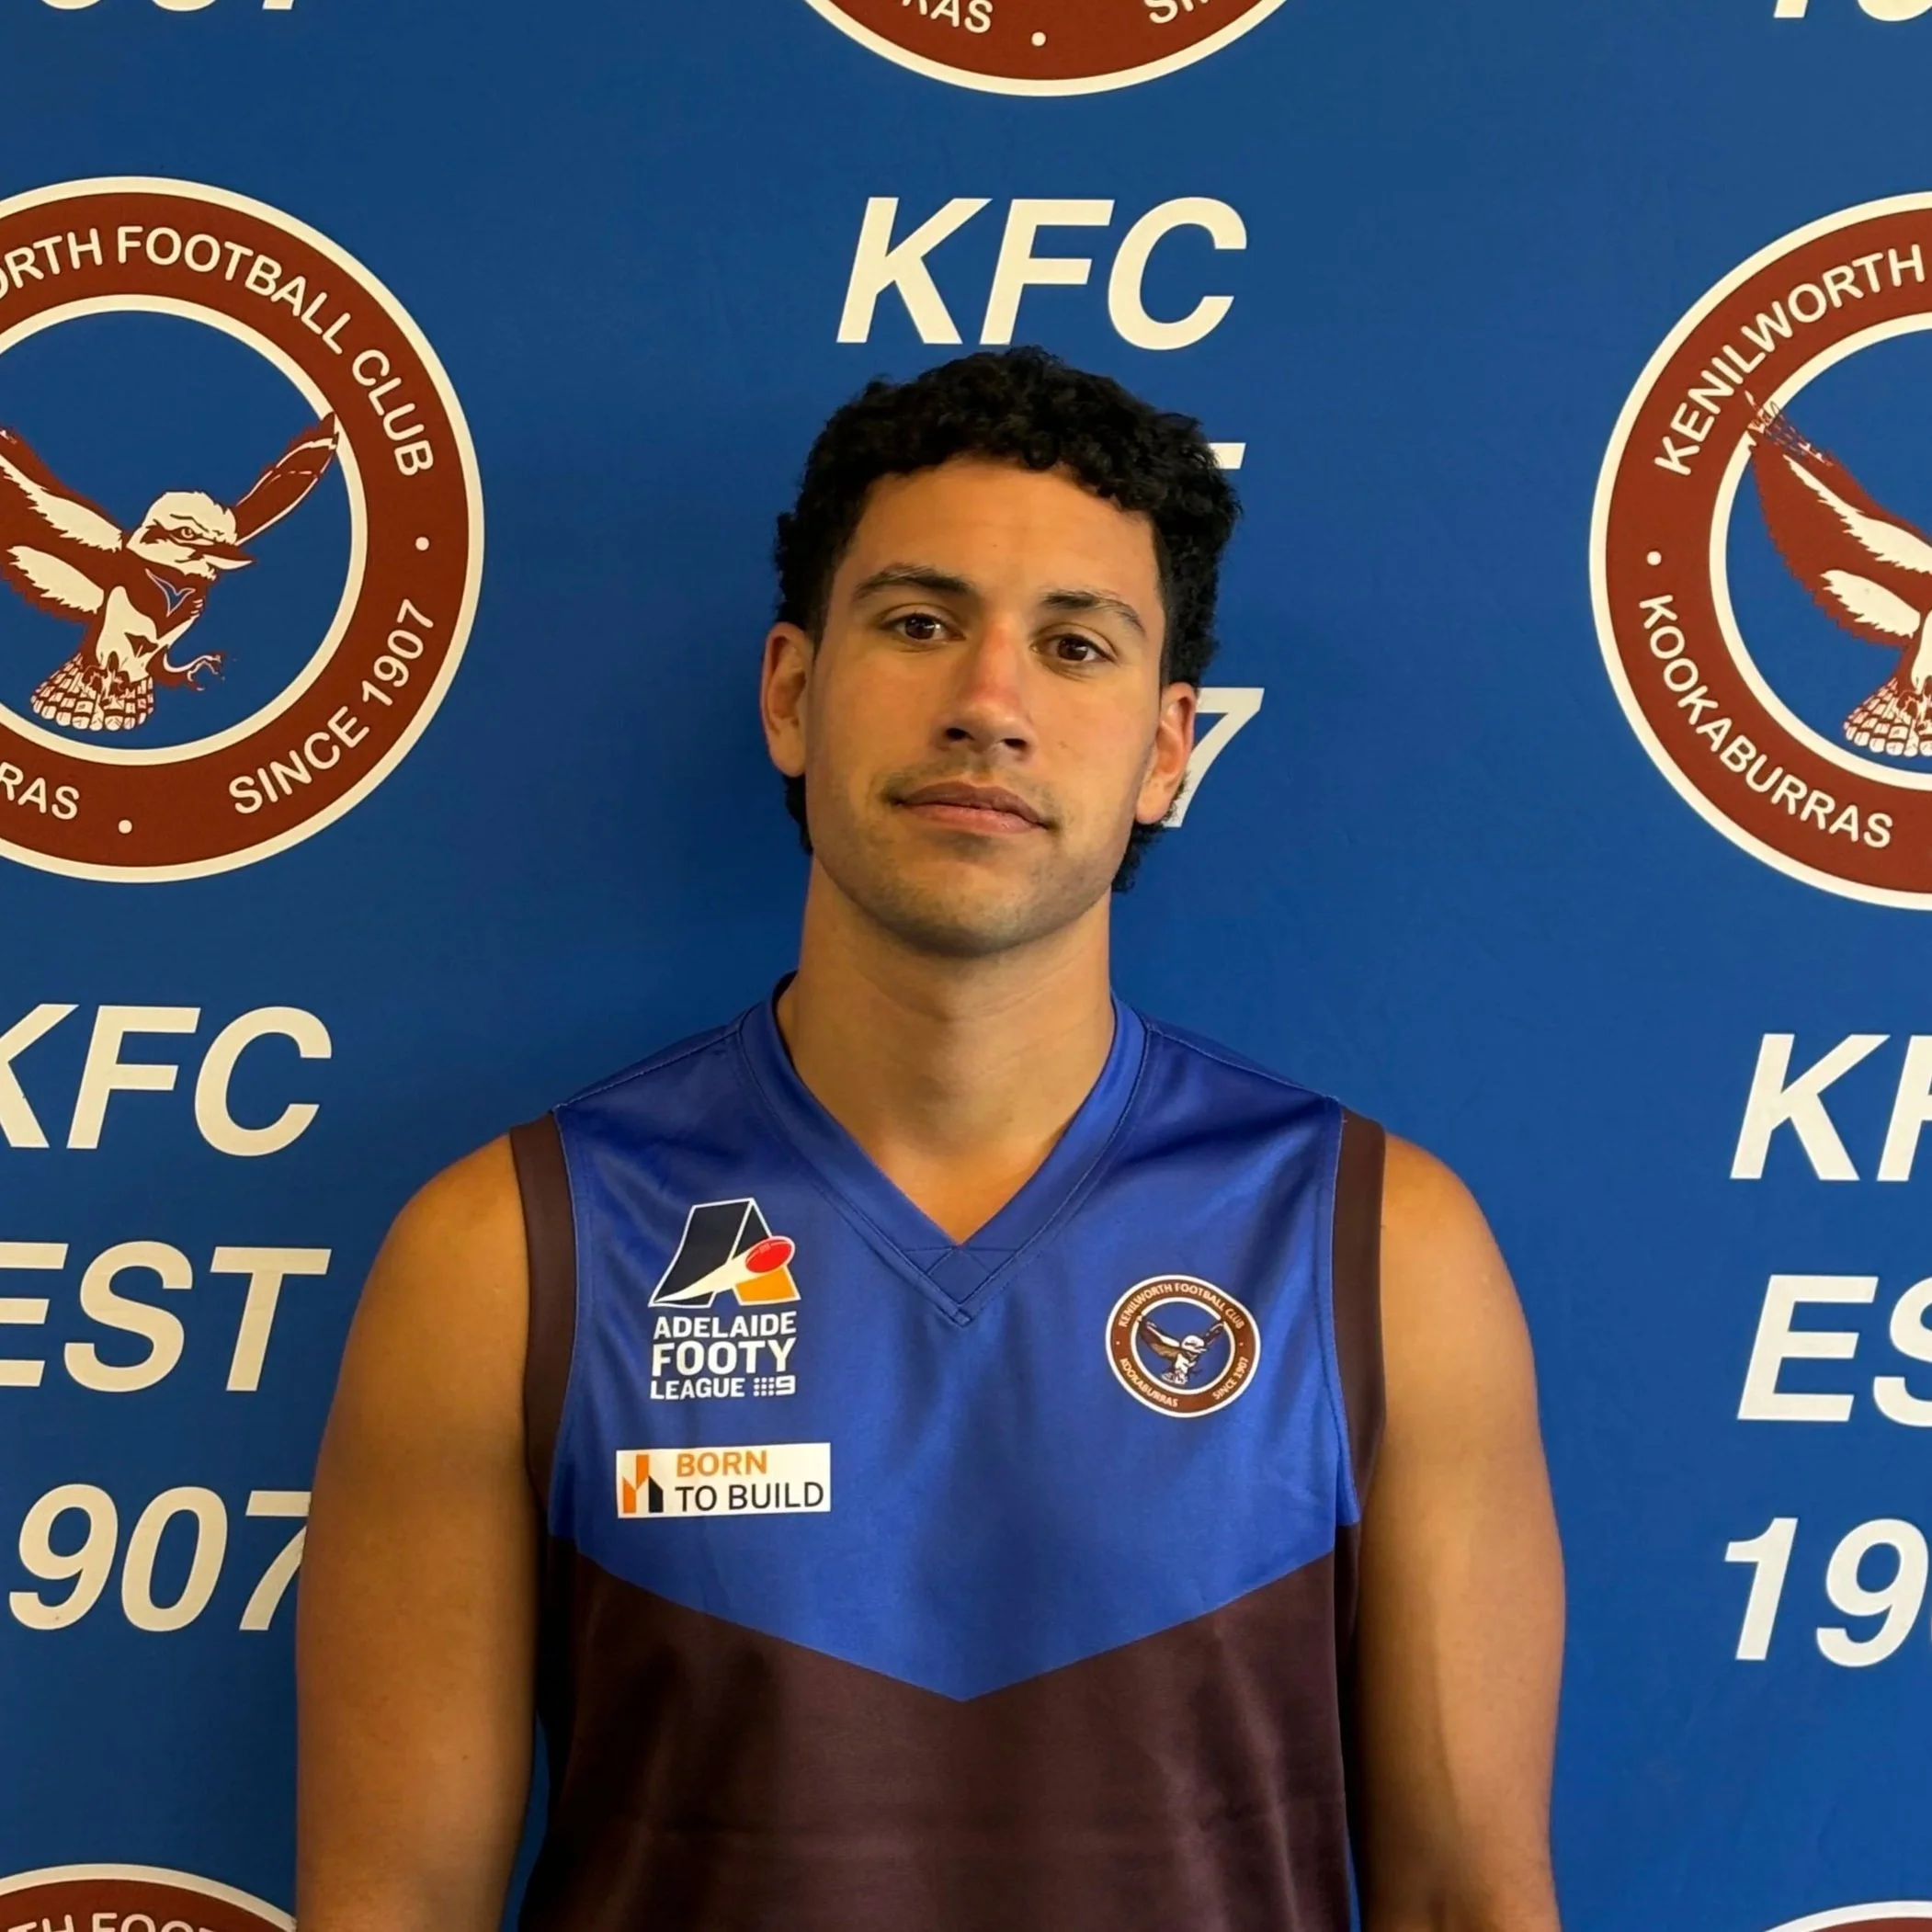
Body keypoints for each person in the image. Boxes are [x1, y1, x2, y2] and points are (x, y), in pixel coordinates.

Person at [296, 347, 1564, 1932]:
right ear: (789, 693)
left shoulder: (1374, 1246)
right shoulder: (511, 1250)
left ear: (1166, 748)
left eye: (1075, 645)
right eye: (916, 623)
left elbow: (1466, 1900)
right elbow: (393, 1902)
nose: (987, 705)